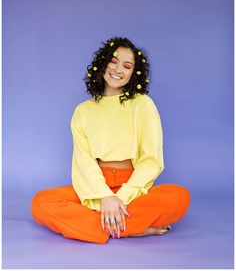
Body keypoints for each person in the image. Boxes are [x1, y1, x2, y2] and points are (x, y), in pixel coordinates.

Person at [31, 36, 191, 244]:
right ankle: (131, 229)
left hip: (132, 185)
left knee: (179, 196)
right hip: (94, 185)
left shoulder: (143, 105)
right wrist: (103, 196)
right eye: (113, 61)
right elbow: (83, 161)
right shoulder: (83, 111)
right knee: (41, 202)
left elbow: (151, 159)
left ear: (134, 74)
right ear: (103, 63)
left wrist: (120, 198)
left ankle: (98, 225)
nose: (118, 69)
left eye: (127, 66)